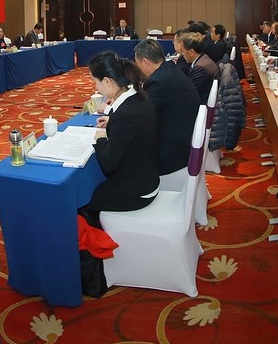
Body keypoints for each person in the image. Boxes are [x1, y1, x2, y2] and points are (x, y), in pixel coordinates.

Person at [81, 52, 160, 223]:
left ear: (107, 81)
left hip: (138, 191)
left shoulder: (125, 115)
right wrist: (112, 121)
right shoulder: (137, 97)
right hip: (147, 178)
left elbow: (108, 164)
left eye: (95, 81)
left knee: (83, 201)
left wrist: (101, 139)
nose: (95, 87)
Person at [134, 39, 201, 176]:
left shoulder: (157, 81)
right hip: (184, 138)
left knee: (128, 148)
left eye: (138, 64)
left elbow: (140, 115)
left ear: (145, 62)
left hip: (171, 153)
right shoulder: (170, 69)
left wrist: (110, 112)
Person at [181, 32, 219, 100]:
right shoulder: (203, 58)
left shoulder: (200, 68)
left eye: (183, 51)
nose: (182, 54)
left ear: (191, 52)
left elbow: (190, 93)